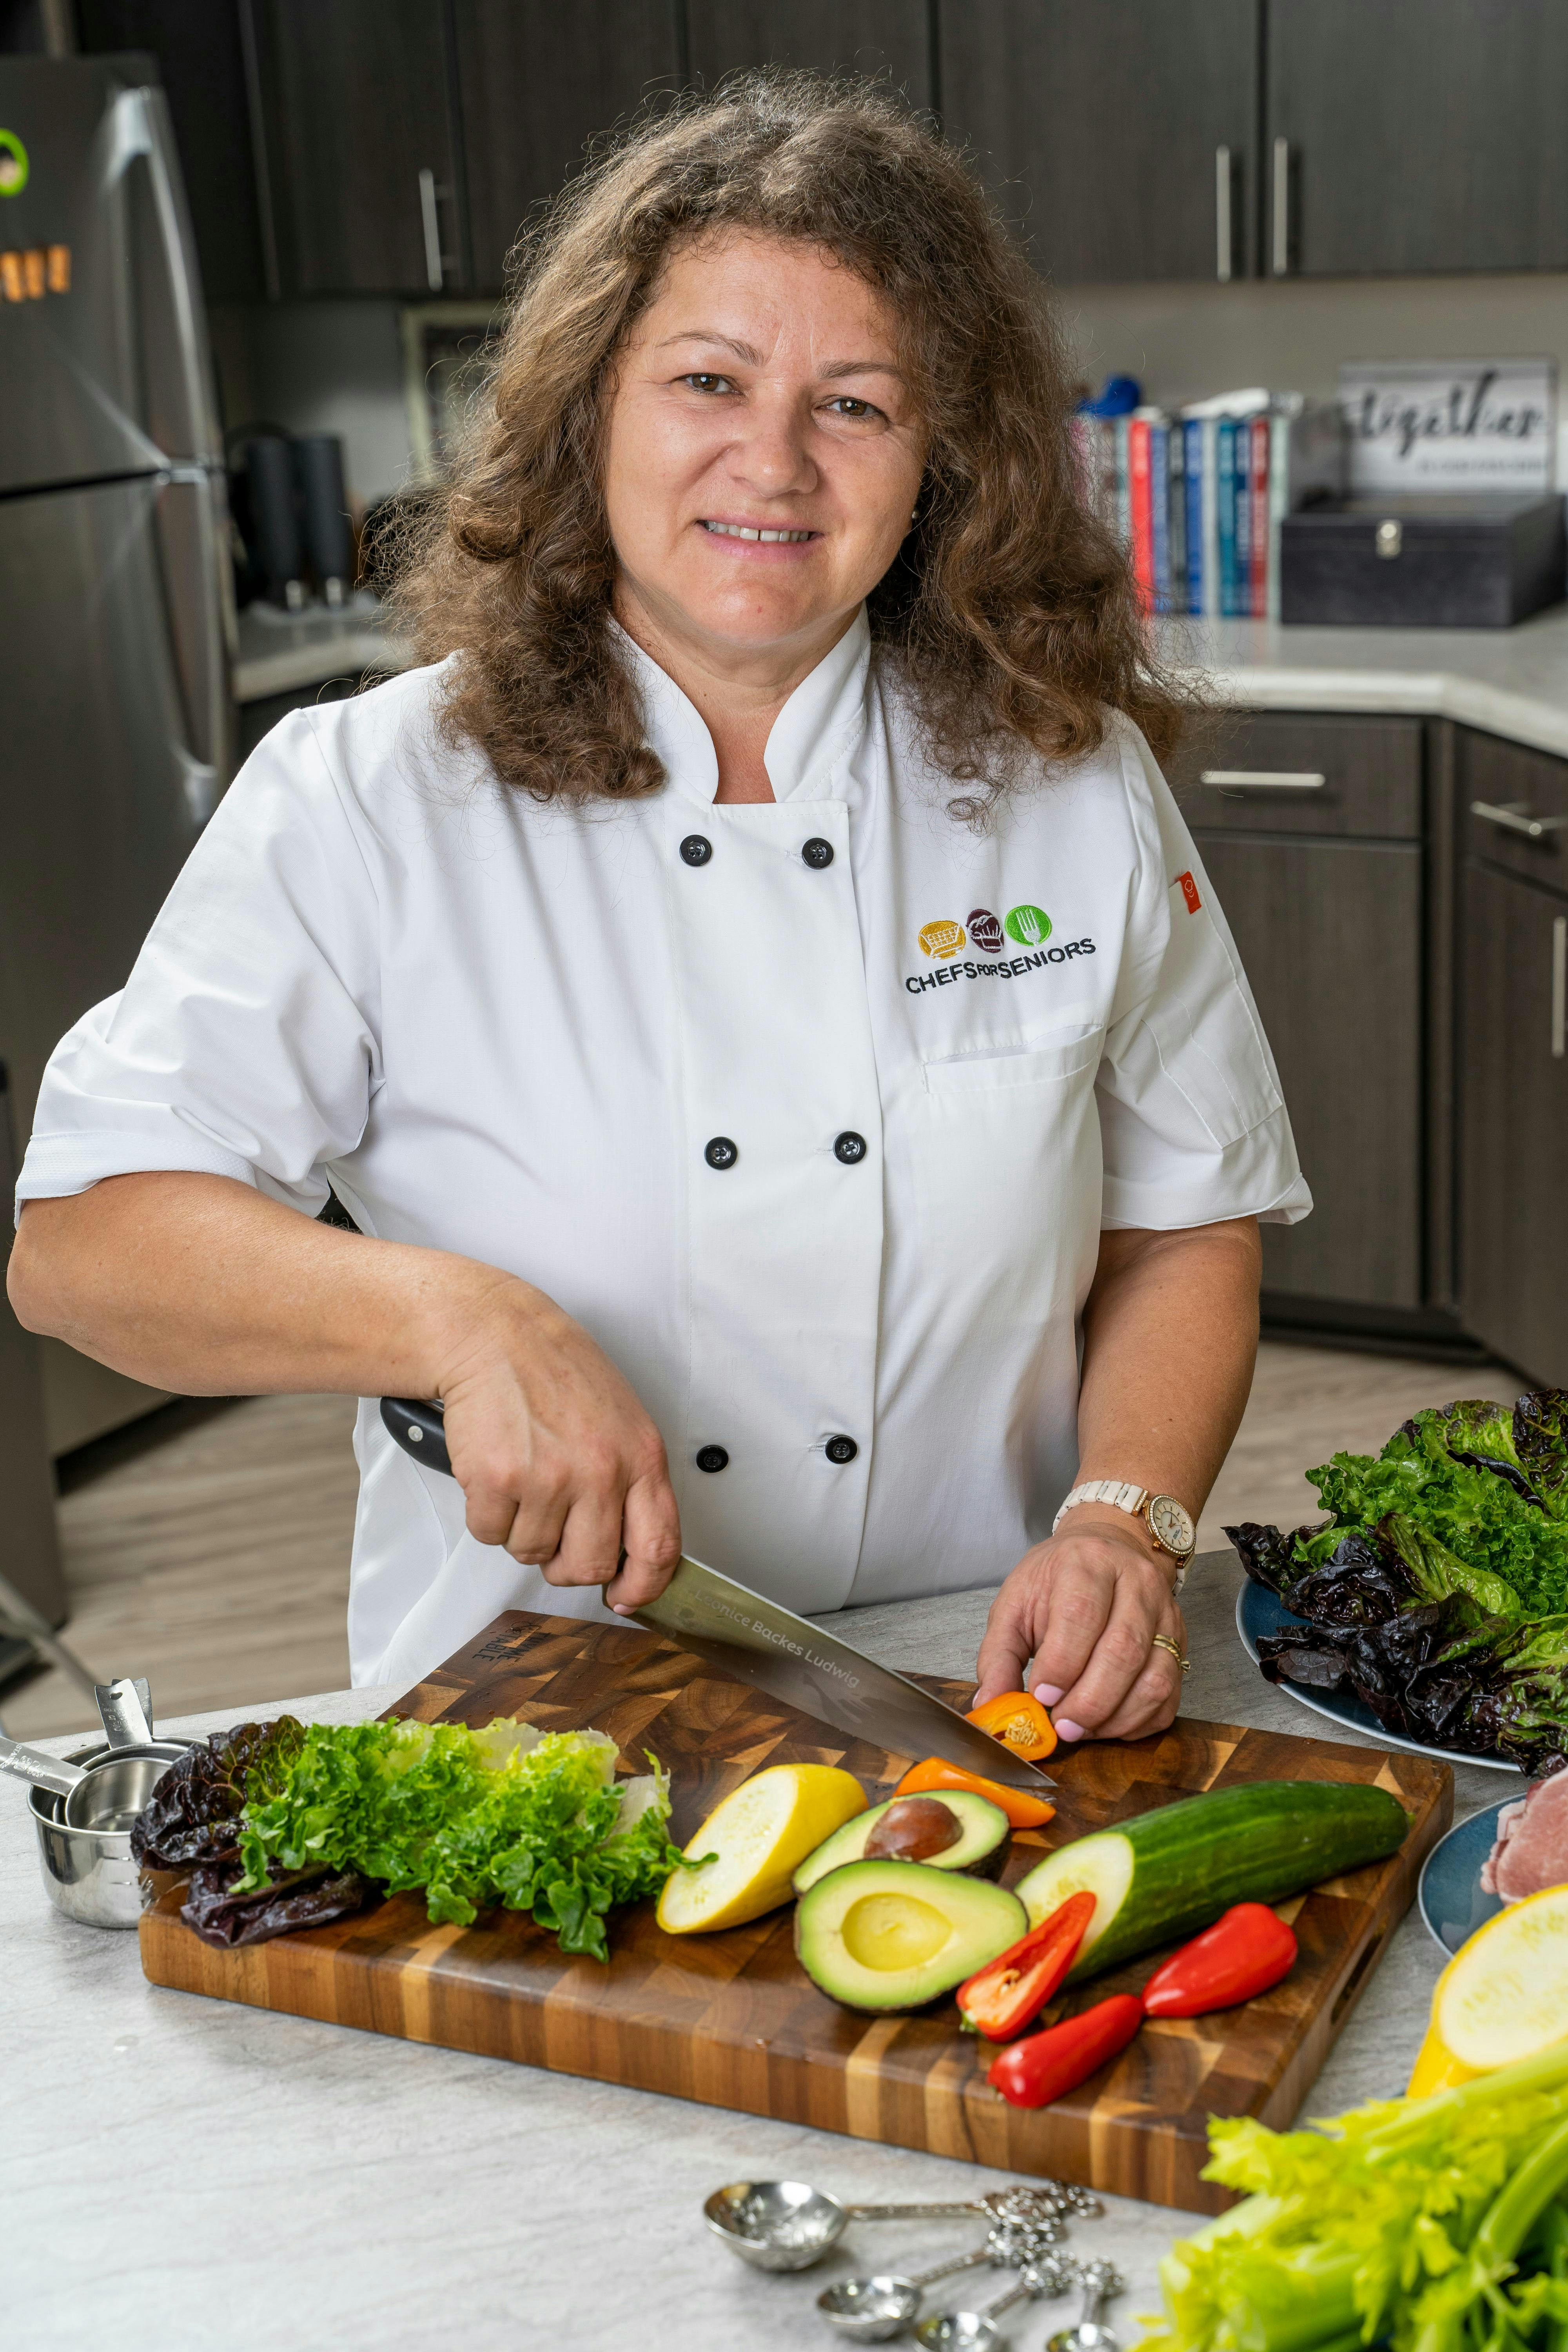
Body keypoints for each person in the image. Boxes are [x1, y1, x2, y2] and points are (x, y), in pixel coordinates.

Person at [8, 75, 1308, 1742]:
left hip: (979, 1685)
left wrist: (1126, 1519)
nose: (771, 462)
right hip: (524, 1713)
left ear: (944, 461)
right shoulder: (371, 794)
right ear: (588, 414)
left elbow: (1185, 1221)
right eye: (707, 381)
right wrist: (459, 1322)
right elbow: (83, 1244)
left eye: (857, 403)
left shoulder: (1068, 780)